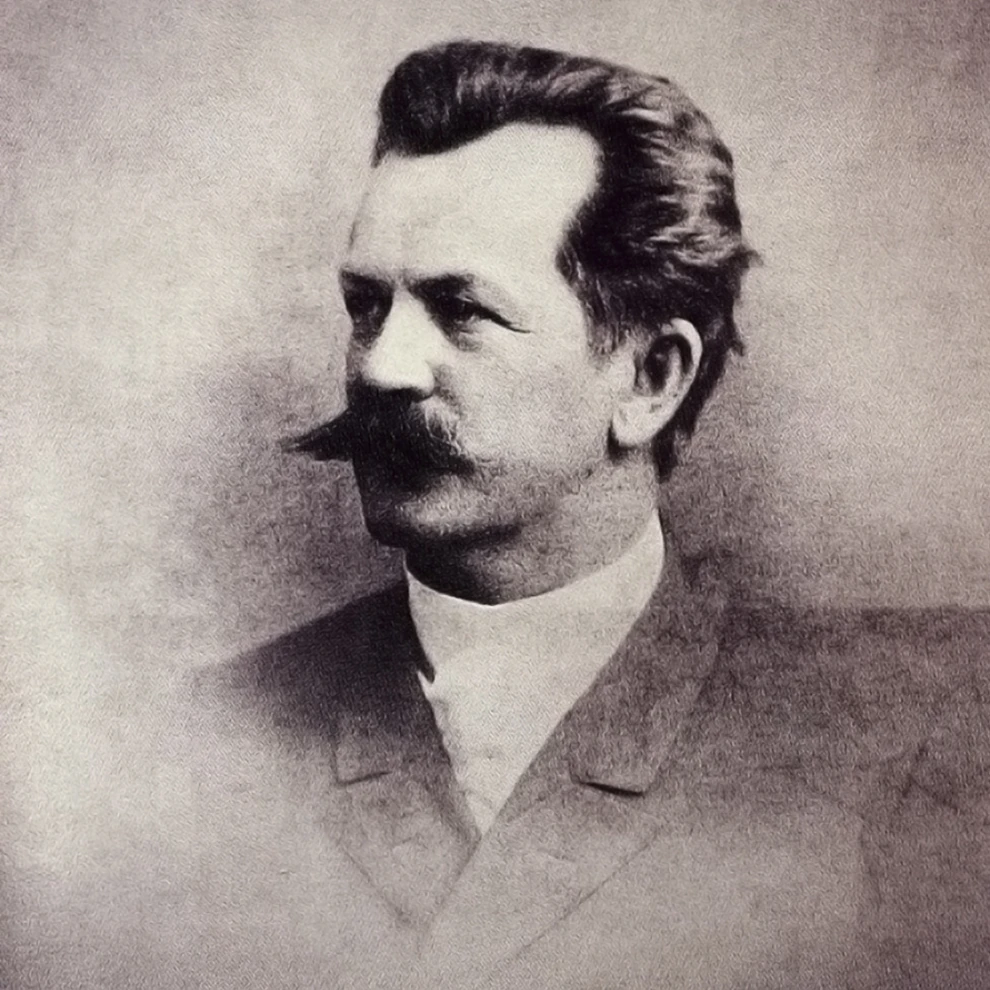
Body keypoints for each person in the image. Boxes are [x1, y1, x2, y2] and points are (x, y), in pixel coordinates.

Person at [189, 40, 988, 990]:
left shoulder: (920, 730)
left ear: (651, 378)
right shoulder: (204, 736)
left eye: (462, 310)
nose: (380, 367)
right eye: (366, 305)